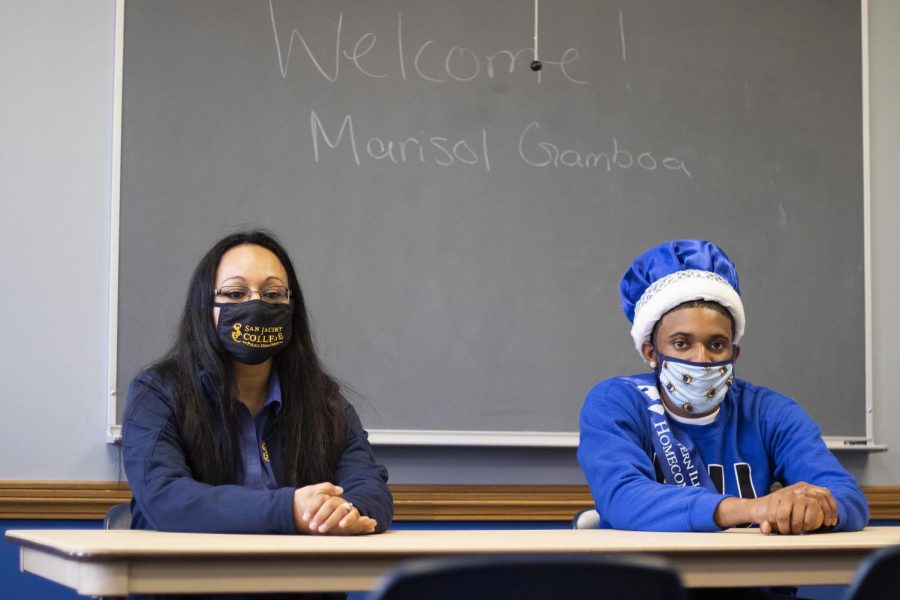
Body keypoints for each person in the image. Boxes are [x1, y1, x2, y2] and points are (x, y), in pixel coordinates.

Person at [578, 239, 868, 534]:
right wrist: (753, 507)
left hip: (751, 577)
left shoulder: (769, 412)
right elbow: (622, 497)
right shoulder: (615, 403)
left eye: (717, 344)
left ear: (734, 352)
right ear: (652, 353)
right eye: (681, 344)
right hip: (649, 578)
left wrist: (816, 508)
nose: (701, 359)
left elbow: (848, 497)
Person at [123, 230, 393, 541]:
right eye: (236, 294)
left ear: (292, 307)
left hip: (296, 583)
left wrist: (345, 511)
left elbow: (371, 489)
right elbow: (164, 498)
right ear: (203, 306)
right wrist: (289, 510)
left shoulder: (324, 400)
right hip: (188, 583)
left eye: (274, 294)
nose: (257, 307)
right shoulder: (157, 393)